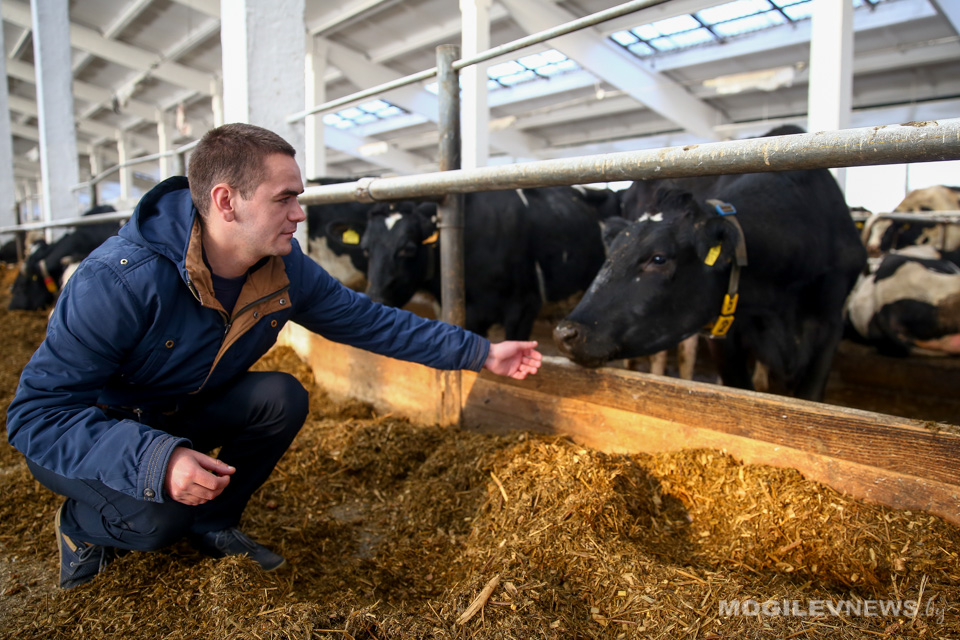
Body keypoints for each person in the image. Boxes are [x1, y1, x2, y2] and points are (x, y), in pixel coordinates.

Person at [5, 123, 542, 589]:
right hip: (96, 431)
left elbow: (370, 321)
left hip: (176, 410)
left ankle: (213, 521)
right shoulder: (118, 281)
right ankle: (81, 526)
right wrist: (156, 460)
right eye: (284, 199)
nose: (299, 214)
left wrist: (481, 352)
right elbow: (36, 417)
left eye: (298, 198)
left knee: (281, 396)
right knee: (157, 521)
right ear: (226, 202)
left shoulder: (282, 268)